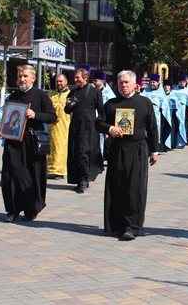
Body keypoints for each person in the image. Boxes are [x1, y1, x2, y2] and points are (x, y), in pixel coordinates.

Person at [96, 70, 159, 239]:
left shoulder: (144, 103)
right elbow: (98, 122)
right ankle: (117, 224)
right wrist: (110, 128)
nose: (123, 85)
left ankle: (132, 226)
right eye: (120, 82)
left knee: (134, 188)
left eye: (126, 82)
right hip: (117, 150)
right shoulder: (111, 104)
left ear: (134, 84)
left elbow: (152, 128)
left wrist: (154, 151)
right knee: (116, 187)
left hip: (137, 150)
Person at [0, 65, 57, 222]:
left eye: (25, 76)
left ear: (33, 78)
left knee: (30, 177)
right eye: (19, 76)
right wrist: (1, 131)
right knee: (9, 175)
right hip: (13, 142)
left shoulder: (40, 96)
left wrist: (35, 114)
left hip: (31, 142)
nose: (22, 79)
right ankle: (12, 210)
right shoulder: (13, 96)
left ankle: (31, 210)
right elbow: (6, 117)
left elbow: (52, 117)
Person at [64, 66, 104, 194]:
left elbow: (101, 110)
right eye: (75, 77)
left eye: (78, 77)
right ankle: (78, 179)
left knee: (84, 153)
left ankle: (84, 179)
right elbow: (67, 111)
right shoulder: (73, 92)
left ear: (85, 78)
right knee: (75, 152)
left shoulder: (94, 92)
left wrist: (103, 127)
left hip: (89, 127)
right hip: (76, 126)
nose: (75, 79)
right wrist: (68, 104)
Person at [47, 74, 71, 180]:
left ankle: (60, 171)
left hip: (65, 126)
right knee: (52, 148)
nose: (59, 83)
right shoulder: (51, 94)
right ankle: (51, 169)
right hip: (52, 127)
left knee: (62, 148)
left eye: (61, 81)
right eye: (57, 81)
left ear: (66, 82)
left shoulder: (70, 95)